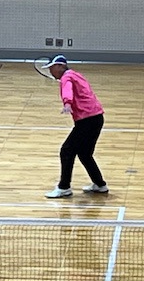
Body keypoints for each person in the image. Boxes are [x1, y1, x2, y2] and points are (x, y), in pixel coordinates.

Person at [42, 54, 108, 198]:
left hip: (87, 120)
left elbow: (68, 90)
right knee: (84, 153)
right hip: (97, 117)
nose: (50, 72)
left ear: (60, 66)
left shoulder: (66, 78)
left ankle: (64, 187)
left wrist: (67, 103)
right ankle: (100, 184)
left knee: (66, 151)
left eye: (52, 68)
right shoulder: (77, 75)